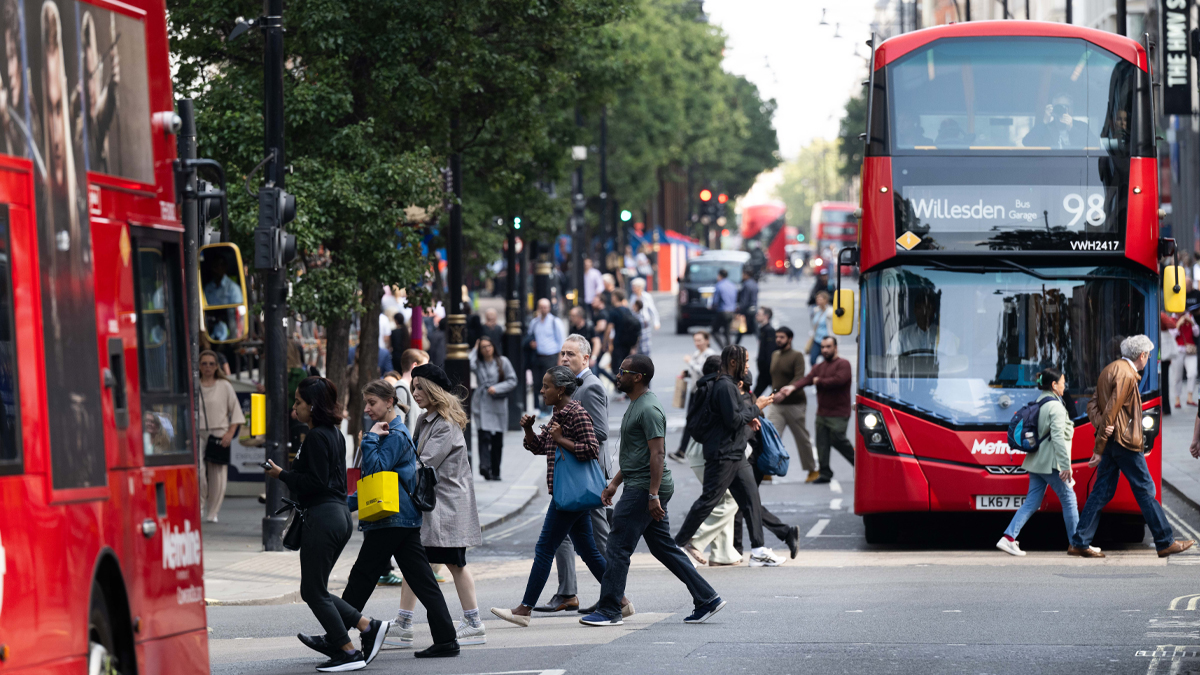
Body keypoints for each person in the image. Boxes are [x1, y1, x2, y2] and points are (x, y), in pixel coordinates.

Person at [297, 380, 457, 660]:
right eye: (366, 403)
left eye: (373, 403)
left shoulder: (393, 433)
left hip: (392, 519)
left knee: (361, 578)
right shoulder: (390, 431)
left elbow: (374, 472)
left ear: (390, 402)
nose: (368, 408)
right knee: (421, 581)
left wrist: (369, 439)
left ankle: (337, 639)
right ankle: (446, 638)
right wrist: (343, 505)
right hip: (399, 518)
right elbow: (375, 485)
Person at [579, 355, 727, 627]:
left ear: (638, 377)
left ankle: (610, 609)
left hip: (645, 488)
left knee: (618, 546)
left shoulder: (649, 409)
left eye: (623, 371)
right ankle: (707, 598)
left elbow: (657, 454)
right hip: (640, 483)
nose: (618, 374)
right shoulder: (637, 404)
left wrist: (653, 494)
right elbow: (636, 454)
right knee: (663, 547)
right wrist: (615, 483)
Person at [264, 378, 391, 672]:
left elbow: (316, 482)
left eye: (297, 402)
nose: (294, 407)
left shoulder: (318, 437)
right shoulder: (333, 434)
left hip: (323, 518)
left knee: (313, 590)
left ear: (312, 405)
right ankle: (366, 626)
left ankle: (348, 651)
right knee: (315, 588)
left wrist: (281, 475)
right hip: (336, 515)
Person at [491, 367, 634, 627]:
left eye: (546, 386)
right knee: (588, 549)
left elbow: (592, 448)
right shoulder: (557, 413)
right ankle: (621, 602)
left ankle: (524, 610)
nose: (541, 390)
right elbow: (539, 447)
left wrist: (561, 439)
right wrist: (528, 430)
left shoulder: (577, 413)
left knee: (545, 547)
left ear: (560, 390)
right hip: (567, 492)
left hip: (570, 494)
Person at [1072, 335, 1194, 558]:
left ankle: (1080, 541)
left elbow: (1093, 405)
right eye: (1148, 355)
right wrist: (1099, 448)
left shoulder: (1110, 369)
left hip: (1113, 441)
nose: (1147, 359)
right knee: (1146, 489)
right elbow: (1111, 411)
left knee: (1101, 491)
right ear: (1142, 355)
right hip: (1125, 443)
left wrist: (1103, 435)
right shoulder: (1128, 375)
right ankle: (1165, 541)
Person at [393, 364, 483, 655]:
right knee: (414, 563)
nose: (415, 393)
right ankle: (403, 623)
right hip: (434, 507)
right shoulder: (426, 419)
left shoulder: (444, 423)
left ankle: (474, 623)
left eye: (420, 387)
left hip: (447, 508)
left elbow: (424, 461)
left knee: (455, 564)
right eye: (414, 387)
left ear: (433, 390)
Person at [672, 346, 785, 567]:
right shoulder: (725, 385)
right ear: (734, 363)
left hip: (735, 451)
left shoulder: (728, 384)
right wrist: (756, 407)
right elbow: (733, 420)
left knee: (751, 498)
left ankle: (759, 550)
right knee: (709, 500)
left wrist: (748, 415)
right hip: (722, 453)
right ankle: (678, 545)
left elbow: (732, 417)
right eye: (747, 361)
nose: (749, 366)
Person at [540, 334, 614, 614]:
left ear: (586, 358)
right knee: (566, 536)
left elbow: (601, 433)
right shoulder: (567, 388)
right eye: (562, 354)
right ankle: (568, 592)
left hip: (586, 474)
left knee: (597, 539)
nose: (564, 358)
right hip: (570, 473)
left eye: (571, 354)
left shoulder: (591, 387)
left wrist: (563, 438)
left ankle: (614, 594)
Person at [996, 369, 1079, 556]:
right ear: (1053, 385)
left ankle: (1008, 538)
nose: (1065, 386)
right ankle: (1077, 543)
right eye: (1062, 382)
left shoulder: (1041, 402)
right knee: (1069, 499)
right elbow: (1058, 437)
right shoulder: (1056, 407)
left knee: (1032, 501)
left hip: (1036, 462)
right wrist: (1065, 465)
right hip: (1051, 463)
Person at [680, 356, 742, 567]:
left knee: (723, 498)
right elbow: (731, 421)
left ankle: (723, 553)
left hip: (699, 450)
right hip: (708, 451)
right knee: (728, 499)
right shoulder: (718, 388)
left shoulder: (704, 387)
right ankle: (696, 540)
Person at [775, 336, 853, 484]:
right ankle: (825, 472)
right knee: (822, 443)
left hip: (839, 412)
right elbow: (807, 379)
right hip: (822, 412)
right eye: (822, 347)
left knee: (837, 438)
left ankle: (857, 463)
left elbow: (839, 380)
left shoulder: (843, 364)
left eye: (828, 347)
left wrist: (820, 381)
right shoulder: (819, 367)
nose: (824, 350)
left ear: (835, 348)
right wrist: (792, 387)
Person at [197, 350, 245, 523]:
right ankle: (200, 505)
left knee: (218, 474)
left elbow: (237, 412)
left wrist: (230, 434)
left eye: (211, 363)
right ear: (199, 366)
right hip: (198, 432)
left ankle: (213, 511)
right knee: (199, 472)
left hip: (219, 432)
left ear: (216, 366)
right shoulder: (194, 385)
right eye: (204, 363)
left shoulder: (225, 386)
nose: (208, 367)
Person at [768, 327, 819, 483]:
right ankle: (767, 470)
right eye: (777, 337)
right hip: (776, 405)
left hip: (795, 404)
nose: (778, 340)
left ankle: (812, 470)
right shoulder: (775, 354)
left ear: (789, 339)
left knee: (802, 438)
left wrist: (784, 393)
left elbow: (799, 378)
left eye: (782, 337)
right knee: (770, 437)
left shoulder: (797, 356)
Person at [470, 336, 516, 481]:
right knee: (483, 435)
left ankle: (495, 470)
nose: (487, 349)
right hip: (481, 402)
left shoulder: (503, 362)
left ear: (494, 346)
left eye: (489, 345)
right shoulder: (478, 363)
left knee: (497, 439)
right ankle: (484, 466)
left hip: (497, 403)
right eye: (483, 347)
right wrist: (475, 347)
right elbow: (468, 362)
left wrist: (496, 388)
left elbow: (512, 380)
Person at [670, 332, 718, 462]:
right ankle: (682, 451)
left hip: (704, 393)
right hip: (694, 392)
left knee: (696, 421)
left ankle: (683, 451)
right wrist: (687, 373)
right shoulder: (697, 354)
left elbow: (703, 372)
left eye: (700, 340)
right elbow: (695, 374)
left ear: (707, 340)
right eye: (695, 340)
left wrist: (689, 362)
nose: (697, 343)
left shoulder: (710, 354)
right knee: (691, 420)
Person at [528, 298, 564, 416]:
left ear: (549, 308)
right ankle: (538, 406)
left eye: (546, 307)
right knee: (537, 382)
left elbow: (561, 341)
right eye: (541, 307)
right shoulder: (534, 322)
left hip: (551, 356)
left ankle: (547, 408)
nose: (543, 309)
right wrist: (532, 343)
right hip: (538, 356)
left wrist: (560, 359)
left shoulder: (555, 321)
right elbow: (530, 336)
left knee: (550, 383)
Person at [1022, 94, 1091, 149]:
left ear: (1071, 110)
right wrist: (1045, 121)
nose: (1061, 109)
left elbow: (1093, 144)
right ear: (1053, 109)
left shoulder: (1082, 127)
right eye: (1058, 107)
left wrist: (1072, 129)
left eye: (1065, 106)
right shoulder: (1045, 129)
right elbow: (1027, 142)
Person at [608, 290, 641, 382]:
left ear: (615, 298)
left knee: (616, 368)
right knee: (626, 367)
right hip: (627, 343)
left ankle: (620, 387)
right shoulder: (627, 310)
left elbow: (609, 328)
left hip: (618, 343)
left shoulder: (613, 312)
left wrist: (606, 342)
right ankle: (626, 386)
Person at [1170, 311, 1198, 408]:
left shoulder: (1189, 316)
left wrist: (1192, 322)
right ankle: (1177, 399)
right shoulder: (1172, 319)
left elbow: (1197, 333)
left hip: (1190, 349)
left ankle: (1189, 397)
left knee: (1193, 373)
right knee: (1177, 376)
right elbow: (1172, 335)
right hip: (1178, 350)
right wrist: (1178, 324)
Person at [753, 307, 777, 396]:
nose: (756, 316)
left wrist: (766, 367)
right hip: (764, 370)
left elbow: (770, 352)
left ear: (766, 316)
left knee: (775, 392)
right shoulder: (762, 329)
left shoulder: (769, 331)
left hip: (767, 370)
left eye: (758, 314)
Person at [711, 269, 737, 349]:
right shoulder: (732, 285)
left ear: (720, 276)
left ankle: (723, 348)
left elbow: (715, 301)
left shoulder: (719, 285)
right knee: (727, 332)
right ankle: (729, 348)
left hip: (722, 311)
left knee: (714, 331)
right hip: (731, 311)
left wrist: (712, 307)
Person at [808, 291, 833, 365]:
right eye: (817, 298)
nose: (818, 300)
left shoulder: (830, 311)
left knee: (827, 360)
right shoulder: (816, 310)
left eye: (820, 299)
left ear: (826, 300)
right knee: (812, 359)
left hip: (827, 339)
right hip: (817, 339)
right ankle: (815, 374)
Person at [735, 268, 759, 346]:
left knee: (742, 327)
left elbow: (744, 299)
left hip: (747, 309)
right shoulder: (754, 283)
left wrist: (740, 309)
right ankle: (760, 341)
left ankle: (736, 344)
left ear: (746, 275)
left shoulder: (746, 284)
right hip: (753, 307)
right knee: (755, 329)